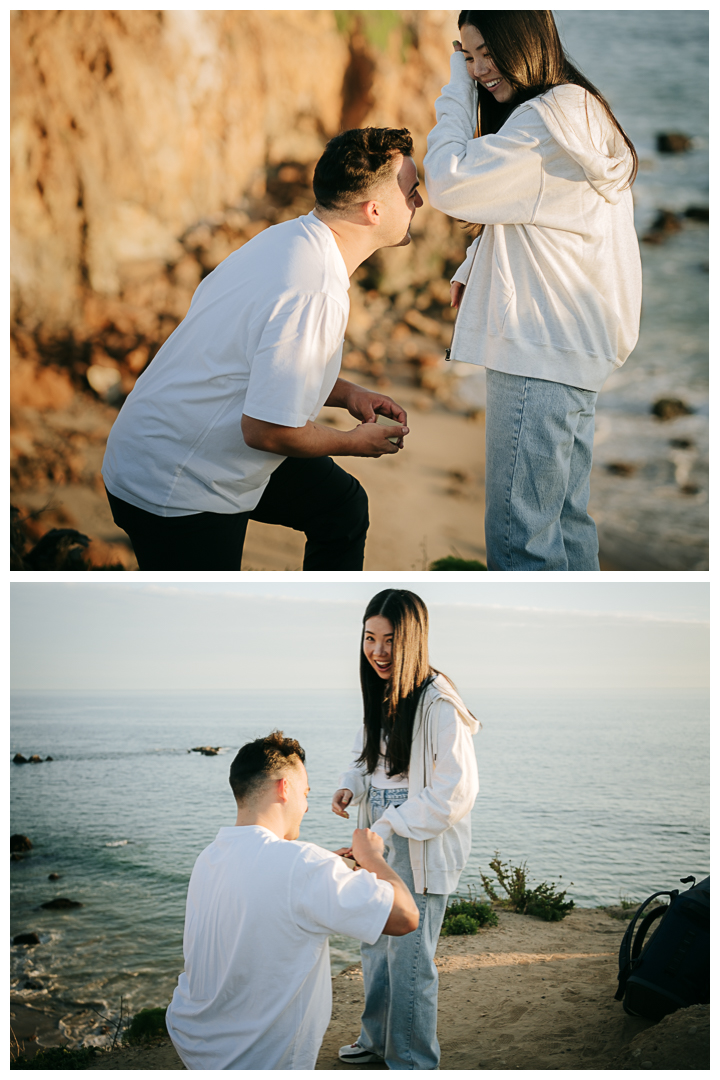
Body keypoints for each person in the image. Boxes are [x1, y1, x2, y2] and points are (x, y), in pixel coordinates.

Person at [102, 127, 423, 570]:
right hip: (176, 486)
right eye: (411, 191)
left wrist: (349, 394)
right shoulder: (315, 291)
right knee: (207, 629)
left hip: (154, 447)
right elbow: (267, 431)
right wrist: (353, 443)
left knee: (341, 508)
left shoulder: (289, 238)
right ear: (374, 210)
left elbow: (267, 363)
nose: (419, 203)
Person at [423, 11, 642, 571]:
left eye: (486, 53)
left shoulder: (541, 124)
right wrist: (475, 263)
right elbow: (545, 211)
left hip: (538, 349)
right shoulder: (582, 111)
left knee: (522, 541)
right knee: (566, 532)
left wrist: (454, 86)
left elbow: (449, 181)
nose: (478, 69)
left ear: (523, 40)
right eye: (467, 55)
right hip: (576, 350)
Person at [165, 731, 418, 1070]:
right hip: (258, 1061)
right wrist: (373, 857)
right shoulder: (302, 865)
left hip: (196, 1046)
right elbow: (405, 917)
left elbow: (267, 886)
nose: (307, 805)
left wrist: (328, 866)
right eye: (305, 792)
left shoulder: (210, 857)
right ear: (284, 788)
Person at [331, 589, 480, 1070]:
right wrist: (350, 786)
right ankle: (376, 1043)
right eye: (370, 638)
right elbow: (368, 754)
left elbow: (454, 794)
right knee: (374, 947)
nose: (377, 651)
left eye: (390, 640)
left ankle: (412, 1062)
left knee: (410, 964)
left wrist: (388, 823)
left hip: (417, 840)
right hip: (379, 822)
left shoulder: (439, 705)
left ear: (413, 640)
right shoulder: (381, 687)